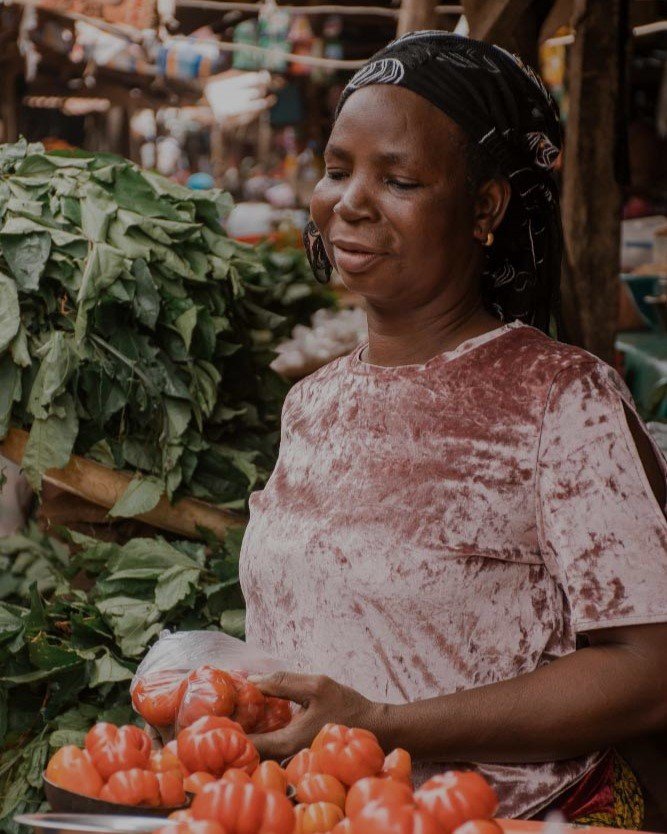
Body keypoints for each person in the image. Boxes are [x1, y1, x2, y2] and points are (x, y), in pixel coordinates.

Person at [239, 32, 667, 827]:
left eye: (397, 178)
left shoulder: (560, 401)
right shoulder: (312, 403)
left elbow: (650, 672)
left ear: (484, 209)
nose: (351, 202)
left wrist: (384, 728)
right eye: (337, 170)